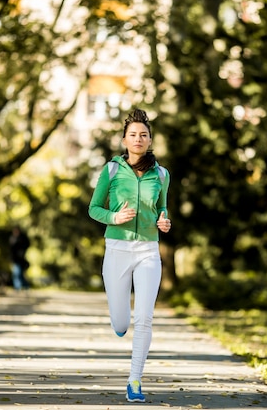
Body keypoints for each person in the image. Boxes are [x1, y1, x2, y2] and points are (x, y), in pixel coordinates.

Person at [88, 108, 171, 403]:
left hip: (148, 251)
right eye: (133, 135)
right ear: (125, 140)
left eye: (144, 135)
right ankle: (119, 324)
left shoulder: (161, 174)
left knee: (145, 319)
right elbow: (93, 208)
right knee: (122, 322)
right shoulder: (111, 170)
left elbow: (162, 209)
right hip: (117, 250)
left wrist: (164, 221)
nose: (138, 139)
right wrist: (114, 218)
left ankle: (134, 380)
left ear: (150, 140)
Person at [9, 226, 30, 290]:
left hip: (21, 260)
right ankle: (18, 287)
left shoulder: (22, 238)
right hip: (15, 259)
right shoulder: (12, 238)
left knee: (19, 274)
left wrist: (22, 252)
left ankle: (24, 286)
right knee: (16, 274)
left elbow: (27, 244)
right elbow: (11, 249)